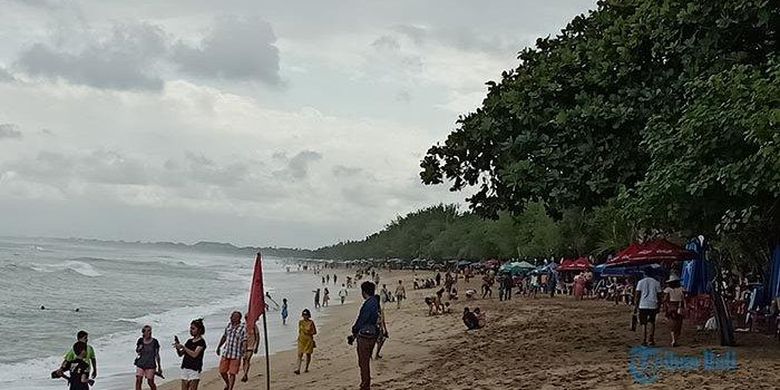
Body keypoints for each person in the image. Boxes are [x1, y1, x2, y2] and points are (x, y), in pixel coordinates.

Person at [352, 281, 379, 390]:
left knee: (363, 362)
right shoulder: (376, 302)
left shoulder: (367, 304)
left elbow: (361, 320)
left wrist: (354, 330)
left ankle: (365, 385)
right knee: (365, 360)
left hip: (364, 335)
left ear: (364, 292)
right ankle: (365, 383)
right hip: (373, 334)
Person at [216, 311, 247, 390]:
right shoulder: (229, 325)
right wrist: (219, 346)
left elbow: (244, 340)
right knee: (222, 371)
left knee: (232, 373)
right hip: (226, 352)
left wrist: (244, 351)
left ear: (237, 318)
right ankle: (227, 383)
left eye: (233, 316)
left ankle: (230, 388)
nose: (231, 317)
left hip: (236, 354)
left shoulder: (242, 328)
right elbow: (224, 336)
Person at [174, 318, 206, 390]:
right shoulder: (189, 341)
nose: (191, 330)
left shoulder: (201, 342)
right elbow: (180, 354)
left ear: (199, 330)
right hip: (185, 367)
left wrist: (184, 347)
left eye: (193, 328)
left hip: (195, 368)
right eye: (190, 328)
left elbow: (194, 354)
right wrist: (177, 347)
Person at [634, 272, 663, 346]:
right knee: (652, 322)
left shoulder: (640, 282)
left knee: (643, 323)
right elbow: (660, 295)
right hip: (653, 304)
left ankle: (644, 339)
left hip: (643, 304)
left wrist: (636, 305)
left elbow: (637, 295)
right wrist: (659, 306)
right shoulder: (656, 282)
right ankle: (651, 339)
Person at [134, 325, 161, 390]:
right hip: (141, 363)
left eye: (150, 330)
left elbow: (157, 355)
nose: (150, 332)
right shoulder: (140, 340)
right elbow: (137, 351)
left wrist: (159, 367)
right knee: (138, 380)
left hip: (150, 365)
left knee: (150, 382)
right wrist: (139, 348)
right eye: (148, 331)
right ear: (144, 332)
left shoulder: (155, 342)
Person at [664, 275, 686, 347]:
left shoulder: (668, 290)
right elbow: (684, 299)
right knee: (679, 324)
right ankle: (676, 340)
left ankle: (674, 339)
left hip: (671, 307)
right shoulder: (681, 289)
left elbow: (665, 299)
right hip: (679, 307)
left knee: (672, 324)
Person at [295, 309, 317, 374]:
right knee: (300, 354)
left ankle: (306, 368)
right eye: (304, 315)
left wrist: (308, 332)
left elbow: (314, 332)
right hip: (301, 340)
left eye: (306, 315)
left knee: (308, 354)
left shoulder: (311, 322)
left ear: (308, 315)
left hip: (309, 340)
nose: (305, 316)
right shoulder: (300, 322)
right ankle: (298, 369)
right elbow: (299, 331)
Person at [241, 315, 260, 383]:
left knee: (247, 359)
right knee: (244, 359)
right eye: (246, 318)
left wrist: (256, 346)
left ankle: (245, 374)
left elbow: (257, 337)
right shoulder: (243, 326)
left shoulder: (254, 326)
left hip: (251, 345)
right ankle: (245, 373)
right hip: (243, 346)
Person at [374, 295, 389, 359]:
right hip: (379, 327)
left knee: (373, 341)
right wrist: (385, 329)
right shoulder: (380, 309)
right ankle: (377, 354)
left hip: (373, 327)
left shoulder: (372, 308)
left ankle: (372, 355)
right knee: (381, 341)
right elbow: (383, 320)